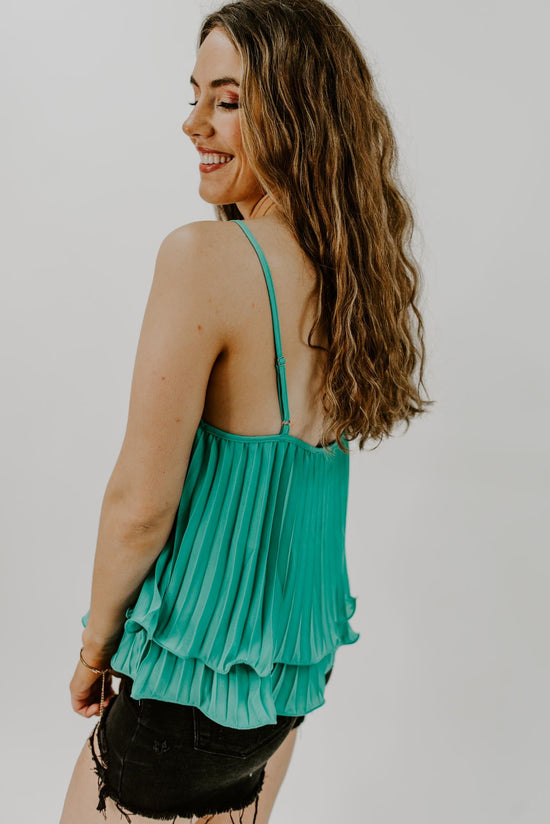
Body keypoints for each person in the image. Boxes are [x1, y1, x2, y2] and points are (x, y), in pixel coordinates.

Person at [60, 0, 433, 821]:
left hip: (181, 691)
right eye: (194, 95)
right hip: (283, 690)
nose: (194, 123)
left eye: (227, 101)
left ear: (299, 113)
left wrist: (94, 648)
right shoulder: (354, 280)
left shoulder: (205, 258)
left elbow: (140, 506)